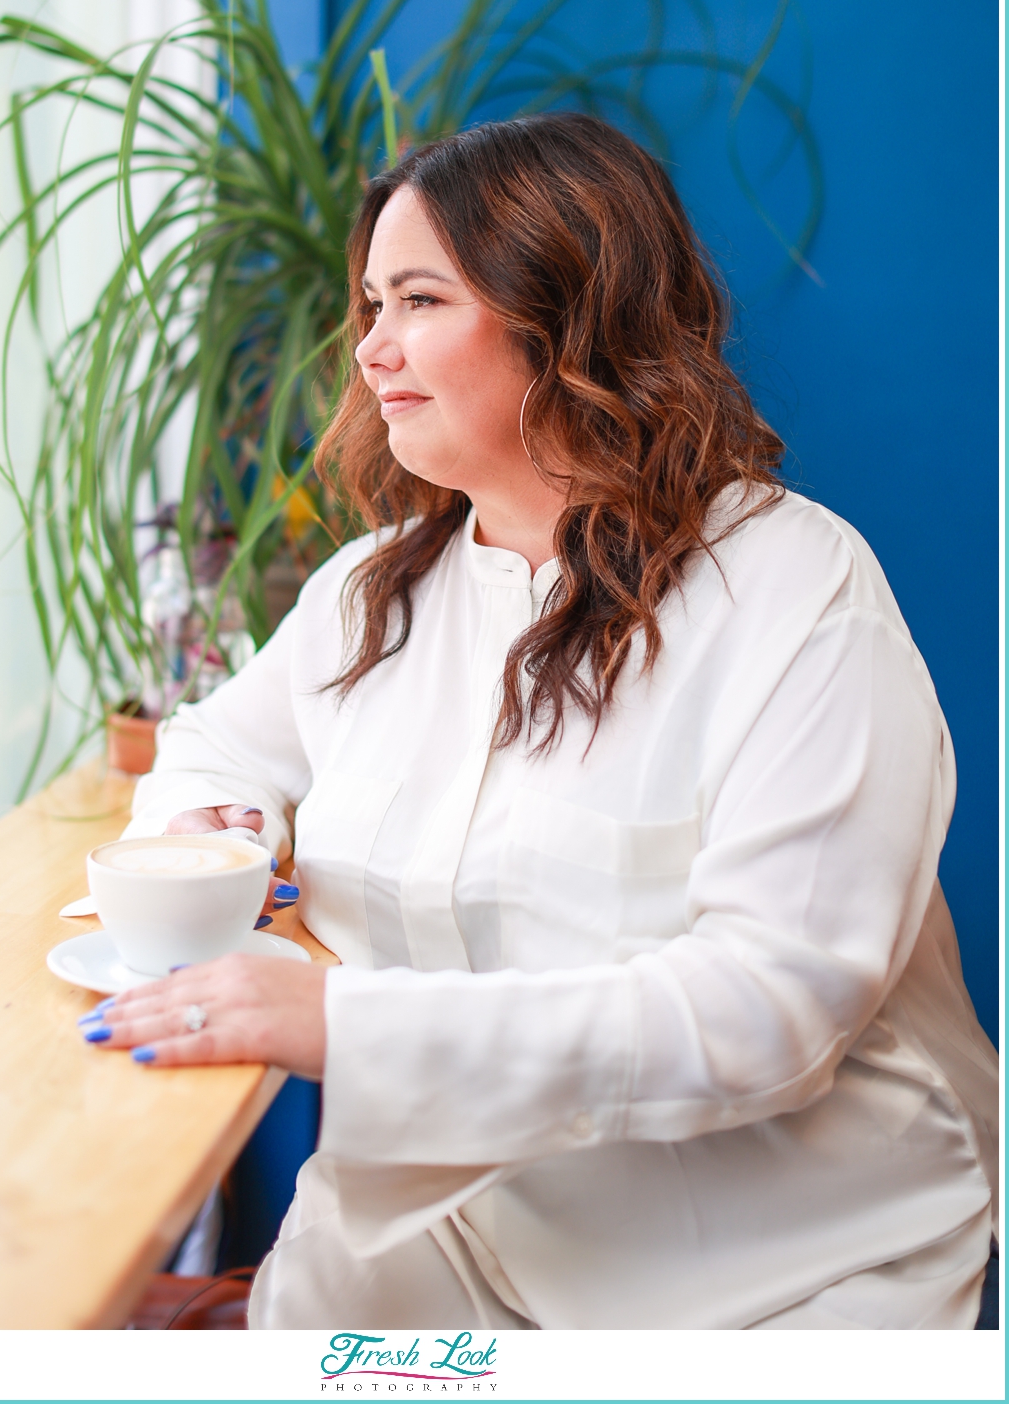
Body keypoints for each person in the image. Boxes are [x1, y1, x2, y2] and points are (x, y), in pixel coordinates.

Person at [84, 113, 998, 1329]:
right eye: (369, 306)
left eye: (418, 300)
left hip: (784, 1273)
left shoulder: (796, 589)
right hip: (442, 1233)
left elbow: (768, 1007)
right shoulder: (372, 593)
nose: (372, 348)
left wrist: (344, 1024)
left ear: (570, 317)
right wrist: (228, 833)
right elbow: (212, 745)